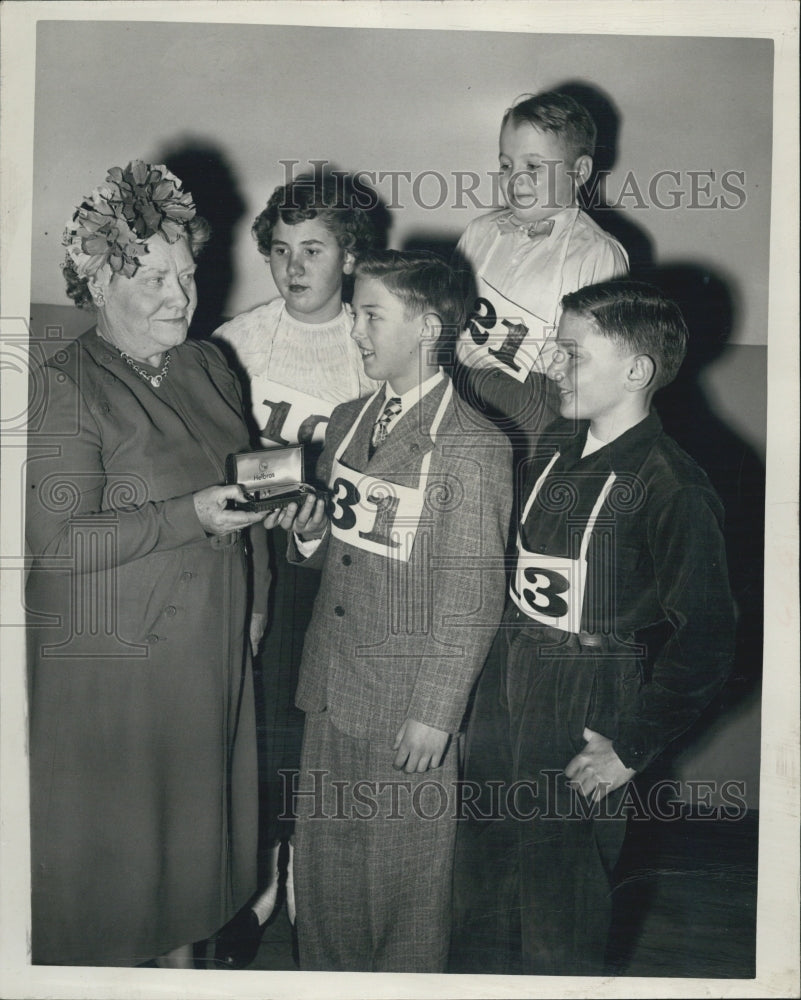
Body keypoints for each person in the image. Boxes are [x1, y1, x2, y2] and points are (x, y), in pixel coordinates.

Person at [452, 280, 736, 975]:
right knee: (478, 884)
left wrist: (631, 746)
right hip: (508, 676)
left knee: (560, 901)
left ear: (635, 371)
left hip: (586, 696)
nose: (553, 361)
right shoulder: (554, 441)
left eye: (573, 351)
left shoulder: (674, 485)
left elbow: (705, 638)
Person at [26, 161, 267, 967]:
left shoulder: (207, 366)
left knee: (194, 873)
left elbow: (239, 478)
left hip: (208, 658)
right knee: (123, 883)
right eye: (155, 277)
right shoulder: (65, 388)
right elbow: (59, 545)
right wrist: (186, 516)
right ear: (98, 284)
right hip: (116, 679)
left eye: (188, 273)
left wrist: (261, 586)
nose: (182, 294)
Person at [265, 250, 512, 972]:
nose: (357, 332)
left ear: (427, 326)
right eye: (357, 316)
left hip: (407, 706)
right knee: (325, 878)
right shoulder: (345, 421)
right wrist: (307, 532)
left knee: (404, 890)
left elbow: (471, 596)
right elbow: (334, 548)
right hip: (331, 686)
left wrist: (436, 712)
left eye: (372, 315)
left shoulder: (472, 447)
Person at [211, 176, 379, 967]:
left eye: (312, 249)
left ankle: (306, 872)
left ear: (349, 255)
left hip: (333, 572)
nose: (293, 266)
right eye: (279, 250)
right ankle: (258, 881)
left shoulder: (372, 344)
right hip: (247, 560)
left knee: (320, 731)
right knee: (256, 728)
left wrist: (326, 516)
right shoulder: (237, 340)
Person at [453, 90, 629, 455]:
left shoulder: (597, 253)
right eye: (506, 166)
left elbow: (596, 365)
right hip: (458, 387)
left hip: (534, 410)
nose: (516, 180)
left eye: (533, 167)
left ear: (579, 172)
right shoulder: (479, 232)